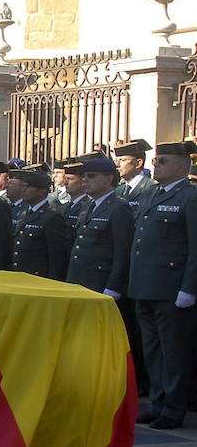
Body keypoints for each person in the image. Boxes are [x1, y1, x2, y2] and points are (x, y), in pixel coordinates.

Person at [129, 142, 197, 429]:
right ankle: (157, 401)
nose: (156, 166)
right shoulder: (151, 194)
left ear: (182, 167)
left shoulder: (190, 198)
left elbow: (195, 247)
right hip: (146, 284)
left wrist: (189, 287)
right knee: (152, 349)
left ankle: (173, 406)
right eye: (156, 161)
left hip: (172, 288)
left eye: (163, 161)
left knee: (173, 351)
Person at [66, 156, 132, 297]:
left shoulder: (119, 207)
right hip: (79, 278)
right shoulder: (89, 205)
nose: (85, 180)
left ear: (108, 179)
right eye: (84, 176)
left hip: (100, 281)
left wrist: (114, 286)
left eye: (91, 176)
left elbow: (122, 252)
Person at [11, 169, 70, 280]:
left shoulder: (51, 217)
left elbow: (56, 255)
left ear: (42, 191)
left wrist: (53, 281)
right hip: (20, 274)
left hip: (38, 277)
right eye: (23, 186)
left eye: (28, 187)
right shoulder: (25, 212)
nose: (23, 190)